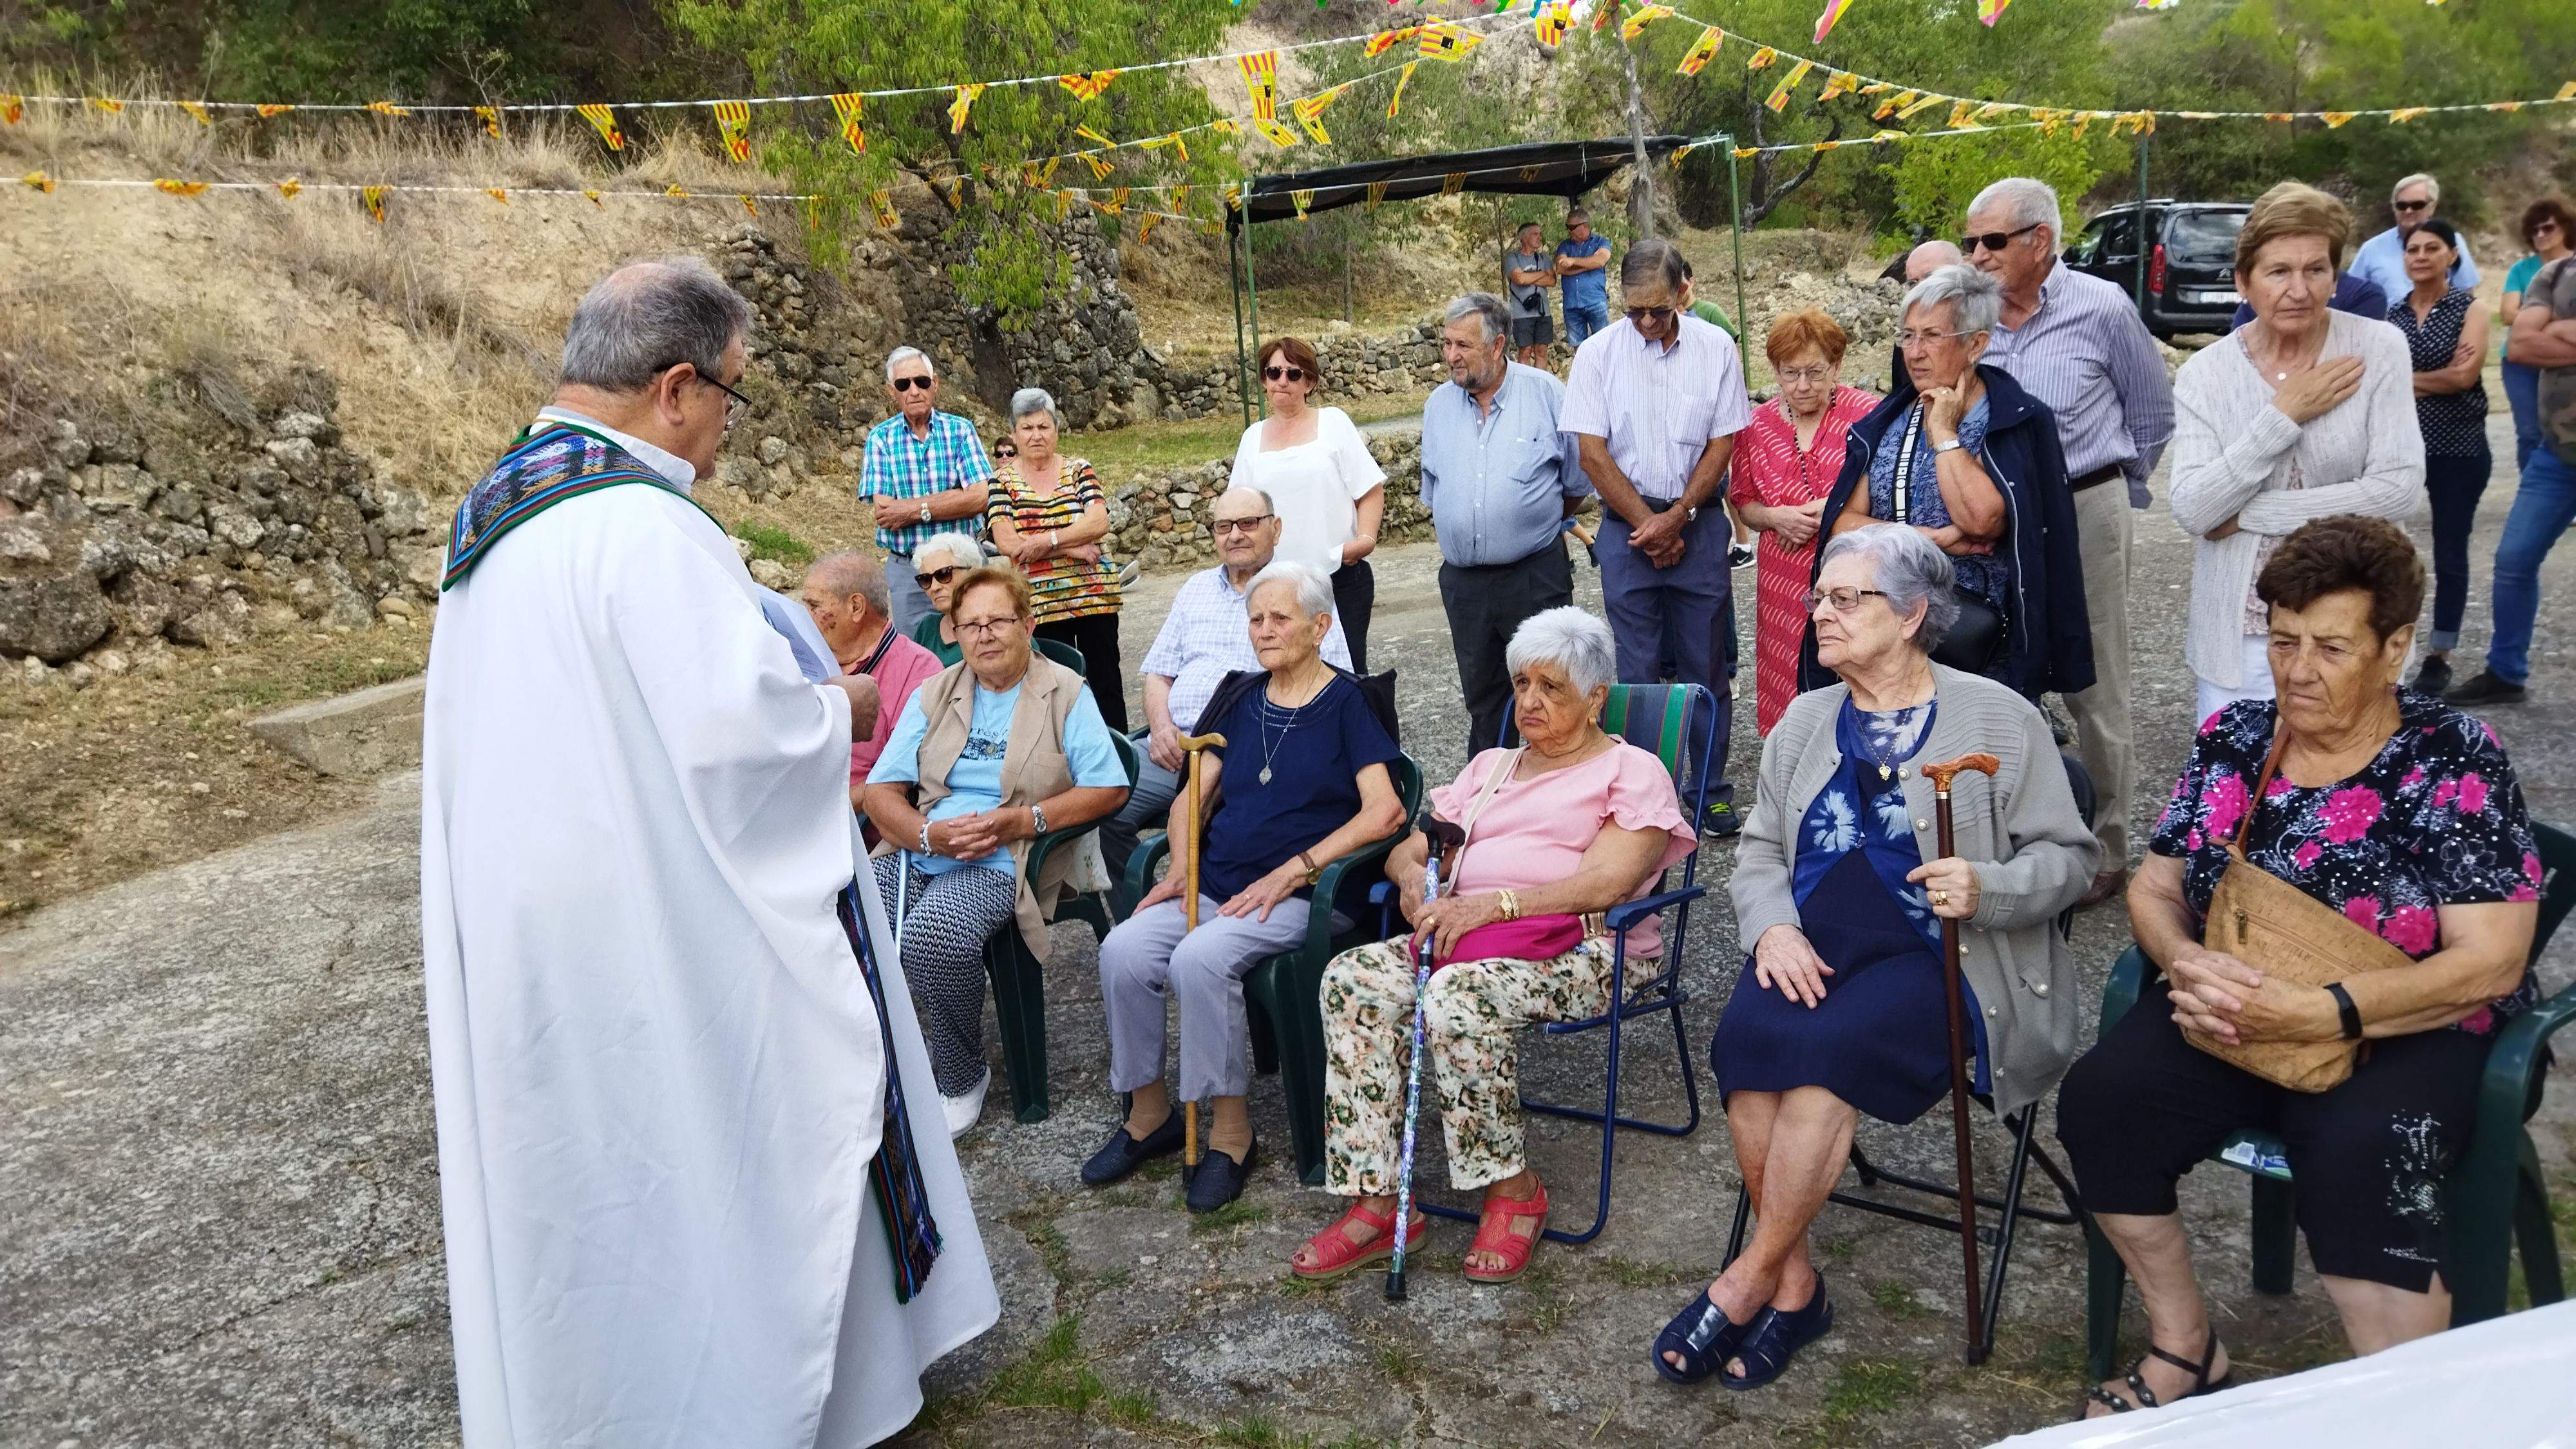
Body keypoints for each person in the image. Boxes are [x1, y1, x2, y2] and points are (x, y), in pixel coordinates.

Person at [422, 258, 996, 1446]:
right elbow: (747, 742)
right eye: (732, 393)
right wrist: (834, 707)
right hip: (669, 918)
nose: (731, 422)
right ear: (675, 389)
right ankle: (775, 1394)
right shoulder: (641, 522)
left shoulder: (494, 516)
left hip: (549, 922)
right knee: (745, 1130)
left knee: (610, 1177)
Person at [2058, 516, 2542, 1416]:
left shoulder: (2453, 759)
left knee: (2355, 1152)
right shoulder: (2239, 736)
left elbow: (2491, 960)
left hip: (2411, 1019)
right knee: (2103, 1104)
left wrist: (2326, 1013)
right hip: (2245, 995)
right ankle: (2186, 1344)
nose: (2297, 670)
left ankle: (2406, 1414)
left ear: (2395, 646)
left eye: (2330, 646)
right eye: (2281, 640)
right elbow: (2157, 889)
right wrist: (2186, 964)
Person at [1658, 525, 2096, 1390]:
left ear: (1912, 615)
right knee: (1747, 1051)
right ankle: (1796, 1284)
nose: (1819, 611)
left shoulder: (1999, 718)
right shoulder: (1805, 721)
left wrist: (1988, 885)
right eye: (1820, 596)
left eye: (1845, 597)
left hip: (1944, 955)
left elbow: (2073, 860)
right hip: (1817, 941)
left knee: (1823, 1065)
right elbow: (1756, 852)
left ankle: (1746, 1279)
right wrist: (1772, 927)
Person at [1289, 608, 1697, 1285]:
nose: (1529, 702)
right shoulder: (1491, 765)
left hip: (1587, 952)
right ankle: (1379, 1203)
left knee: (1459, 995)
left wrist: (1497, 903)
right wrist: (1411, 884)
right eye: (1521, 683)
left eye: (1552, 687)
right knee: (1353, 976)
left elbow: (1610, 881)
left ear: (1596, 698)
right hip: (1463, 936)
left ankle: (1512, 1191)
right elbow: (1418, 842)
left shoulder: (1632, 771)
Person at [1086, 562, 1406, 1212]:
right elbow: (1189, 802)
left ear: (1320, 627)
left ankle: (1230, 1132)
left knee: (1199, 958)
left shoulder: (1347, 702)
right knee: (1123, 948)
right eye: (1256, 618)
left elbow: (1386, 812)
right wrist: (1180, 865)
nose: (1263, 630)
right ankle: (1148, 1114)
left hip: (1301, 897)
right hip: (1220, 883)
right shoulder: (1240, 695)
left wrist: (1296, 868)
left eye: (1279, 618)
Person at [862, 567, 1131, 1134]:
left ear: (1028, 625)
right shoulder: (934, 693)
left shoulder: (1065, 691)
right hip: (923, 845)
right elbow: (883, 791)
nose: (985, 635)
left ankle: (961, 1075)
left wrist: (1023, 820)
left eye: (999, 621)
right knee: (857, 922)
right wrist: (925, 834)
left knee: (933, 934)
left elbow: (1109, 785)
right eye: (971, 624)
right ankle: (884, 1067)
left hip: (1009, 856)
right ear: (953, 632)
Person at [1967, 176, 2175, 909]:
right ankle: (2017, 841)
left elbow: (2152, 410)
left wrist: (2117, 492)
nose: (1978, 255)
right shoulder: (1973, 315)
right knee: (2004, 675)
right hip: (1995, 522)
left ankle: (2107, 850)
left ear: (2039, 241)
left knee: (2095, 685)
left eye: (1992, 241)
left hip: (2085, 505)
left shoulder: (2102, 307)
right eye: (1971, 242)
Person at [2168, 183, 2423, 724]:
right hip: (2242, 635)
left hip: (2358, 629)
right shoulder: (2205, 375)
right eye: (2279, 271)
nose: (2299, 289)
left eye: (2316, 270)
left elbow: (2398, 488)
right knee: (2241, 798)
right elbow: (2193, 509)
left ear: (2337, 276)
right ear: (2244, 281)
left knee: (2353, 797)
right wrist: (2283, 415)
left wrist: (2250, 514)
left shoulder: (2378, 349)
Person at [1814, 265, 2095, 707]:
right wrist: (1929, 540)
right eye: (1907, 336)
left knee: (1974, 761)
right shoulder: (1890, 419)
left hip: (1977, 640)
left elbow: (1982, 521)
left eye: (1931, 336)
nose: (1915, 352)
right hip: (1888, 638)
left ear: (1976, 344)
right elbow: (1843, 524)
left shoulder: (2011, 420)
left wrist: (1945, 432)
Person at [1562, 237, 1753, 835]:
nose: (1646, 322)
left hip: (1694, 525)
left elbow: (1724, 442)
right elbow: (1591, 454)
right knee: (1638, 672)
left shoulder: (1717, 347)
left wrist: (1680, 518)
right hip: (1627, 532)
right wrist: (1651, 523)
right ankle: (1650, 794)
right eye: (1634, 310)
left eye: (1658, 310)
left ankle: (1711, 789)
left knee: (1706, 666)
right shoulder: (1595, 355)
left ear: (1682, 293)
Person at [1100, 487, 1353, 882]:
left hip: (1254, 756)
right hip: (1174, 749)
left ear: (1276, 529)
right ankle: (1147, 912)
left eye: (1248, 523)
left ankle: (1203, 907)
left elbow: (1335, 687)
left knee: (1223, 826)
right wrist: (1163, 728)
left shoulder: (1303, 591)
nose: (1235, 534)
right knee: (1099, 803)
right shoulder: (1194, 590)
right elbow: (1158, 674)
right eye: (1223, 526)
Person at [1421, 292, 1588, 753]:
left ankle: (1558, 794)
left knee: (1550, 689)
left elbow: (1576, 481)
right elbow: (1436, 491)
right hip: (1465, 586)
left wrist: (1530, 522)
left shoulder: (1547, 393)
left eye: (1463, 346)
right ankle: (1490, 803)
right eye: (1447, 344)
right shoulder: (1438, 406)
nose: (1451, 356)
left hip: (1533, 574)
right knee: (1484, 700)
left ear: (1497, 346)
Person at [1729, 310, 1879, 735]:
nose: (1802, 386)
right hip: (1783, 580)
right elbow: (1743, 502)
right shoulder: (1756, 426)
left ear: (1837, 367)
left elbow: (1888, 489)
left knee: (1854, 666)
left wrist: (1827, 510)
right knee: (1790, 677)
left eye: (1816, 372)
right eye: (1789, 373)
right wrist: (1775, 517)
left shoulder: (1867, 415)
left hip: (1854, 569)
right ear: (1774, 371)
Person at [2454, 219, 2576, 706]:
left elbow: (2538, 337)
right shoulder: (2555, 274)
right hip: (2557, 456)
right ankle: (2506, 672)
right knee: (2513, 562)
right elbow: (2523, 345)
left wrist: (2560, 332)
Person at [1231, 336, 1388, 670]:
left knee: (1345, 676)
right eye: (1274, 373)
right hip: (1273, 586)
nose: (1282, 381)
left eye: (1294, 374)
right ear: (1263, 380)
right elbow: (1239, 511)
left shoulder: (1334, 423)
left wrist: (1364, 541)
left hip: (1336, 578)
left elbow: (1370, 489)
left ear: (1310, 382)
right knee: (1282, 675)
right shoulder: (1251, 438)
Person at [2389, 219, 2493, 697]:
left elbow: (2464, 379)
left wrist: (2406, 379)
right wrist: (2439, 374)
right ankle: (2385, 645)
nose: (2422, 256)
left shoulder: (2470, 308)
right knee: (2388, 550)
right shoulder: (2393, 315)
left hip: (2459, 448)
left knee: (2451, 552)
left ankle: (2440, 654)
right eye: (2413, 249)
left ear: (2452, 255)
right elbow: (2381, 377)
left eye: (2433, 248)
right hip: (2403, 447)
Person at [986, 386, 1128, 731]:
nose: (1036, 435)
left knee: (1106, 683)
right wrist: (1069, 546)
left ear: (1056, 430)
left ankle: (1119, 766)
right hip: (1041, 603)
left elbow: (1099, 521)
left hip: (1094, 597)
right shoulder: (1001, 481)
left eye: (1044, 427)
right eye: (1027, 428)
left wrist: (1044, 541)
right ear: (1015, 435)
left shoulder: (1079, 469)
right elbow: (1007, 542)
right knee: (1055, 688)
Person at [858, 346, 992, 636]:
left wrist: (914, 510)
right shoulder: (880, 439)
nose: (914, 391)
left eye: (922, 381)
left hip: (963, 564)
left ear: (936, 384)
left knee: (980, 642)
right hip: (911, 574)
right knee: (920, 658)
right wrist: (956, 496)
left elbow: (981, 497)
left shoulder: (961, 430)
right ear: (892, 391)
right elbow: (886, 513)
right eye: (904, 384)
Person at [803, 550, 945, 804]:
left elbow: (894, 780)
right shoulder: (804, 657)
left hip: (849, 821)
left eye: (814, 606)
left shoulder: (918, 670)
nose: (804, 616)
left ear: (856, 607)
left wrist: (821, 811)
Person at [2500, 198, 2575, 472]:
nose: (2541, 235)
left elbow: (2519, 315)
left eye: (2548, 228)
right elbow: (2508, 313)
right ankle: (2533, 486)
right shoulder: (2521, 269)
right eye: (2534, 230)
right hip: (2521, 361)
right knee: (2529, 431)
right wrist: (2556, 325)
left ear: (2566, 228)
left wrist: (2537, 321)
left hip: (2565, 360)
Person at [2349, 173, 2481, 305]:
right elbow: (2350, 294)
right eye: (2402, 206)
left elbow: (2466, 295)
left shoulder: (2452, 242)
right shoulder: (2371, 249)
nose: (2408, 211)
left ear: (2432, 207)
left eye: (2417, 205)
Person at [1885, 240, 1964, 388]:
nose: (1921, 289)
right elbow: (1902, 397)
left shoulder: (1985, 329)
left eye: (1930, 278)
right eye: (1913, 283)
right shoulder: (1906, 341)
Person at [905, 530, 986, 661]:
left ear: (972, 574)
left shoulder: (997, 624)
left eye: (944, 574)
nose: (934, 587)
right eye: (925, 579)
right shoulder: (927, 629)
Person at [1555, 206, 1613, 349]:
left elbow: (1600, 260)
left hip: (1595, 302)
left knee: (1603, 345)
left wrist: (1574, 261)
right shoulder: (1565, 245)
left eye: (1572, 227)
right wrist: (1588, 264)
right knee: (1578, 349)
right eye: (1567, 227)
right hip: (1572, 305)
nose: (1569, 231)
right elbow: (1561, 267)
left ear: (1585, 226)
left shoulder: (1601, 242)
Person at [1506, 221, 1559, 370]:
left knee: (1542, 351)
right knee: (1525, 352)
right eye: (1535, 234)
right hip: (1522, 314)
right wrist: (1542, 274)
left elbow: (1552, 280)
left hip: (1543, 313)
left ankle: (1540, 386)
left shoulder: (1544, 259)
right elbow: (1520, 279)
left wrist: (1530, 276)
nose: (1539, 237)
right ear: (1524, 238)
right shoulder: (1513, 258)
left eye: (1540, 234)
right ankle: (1525, 386)